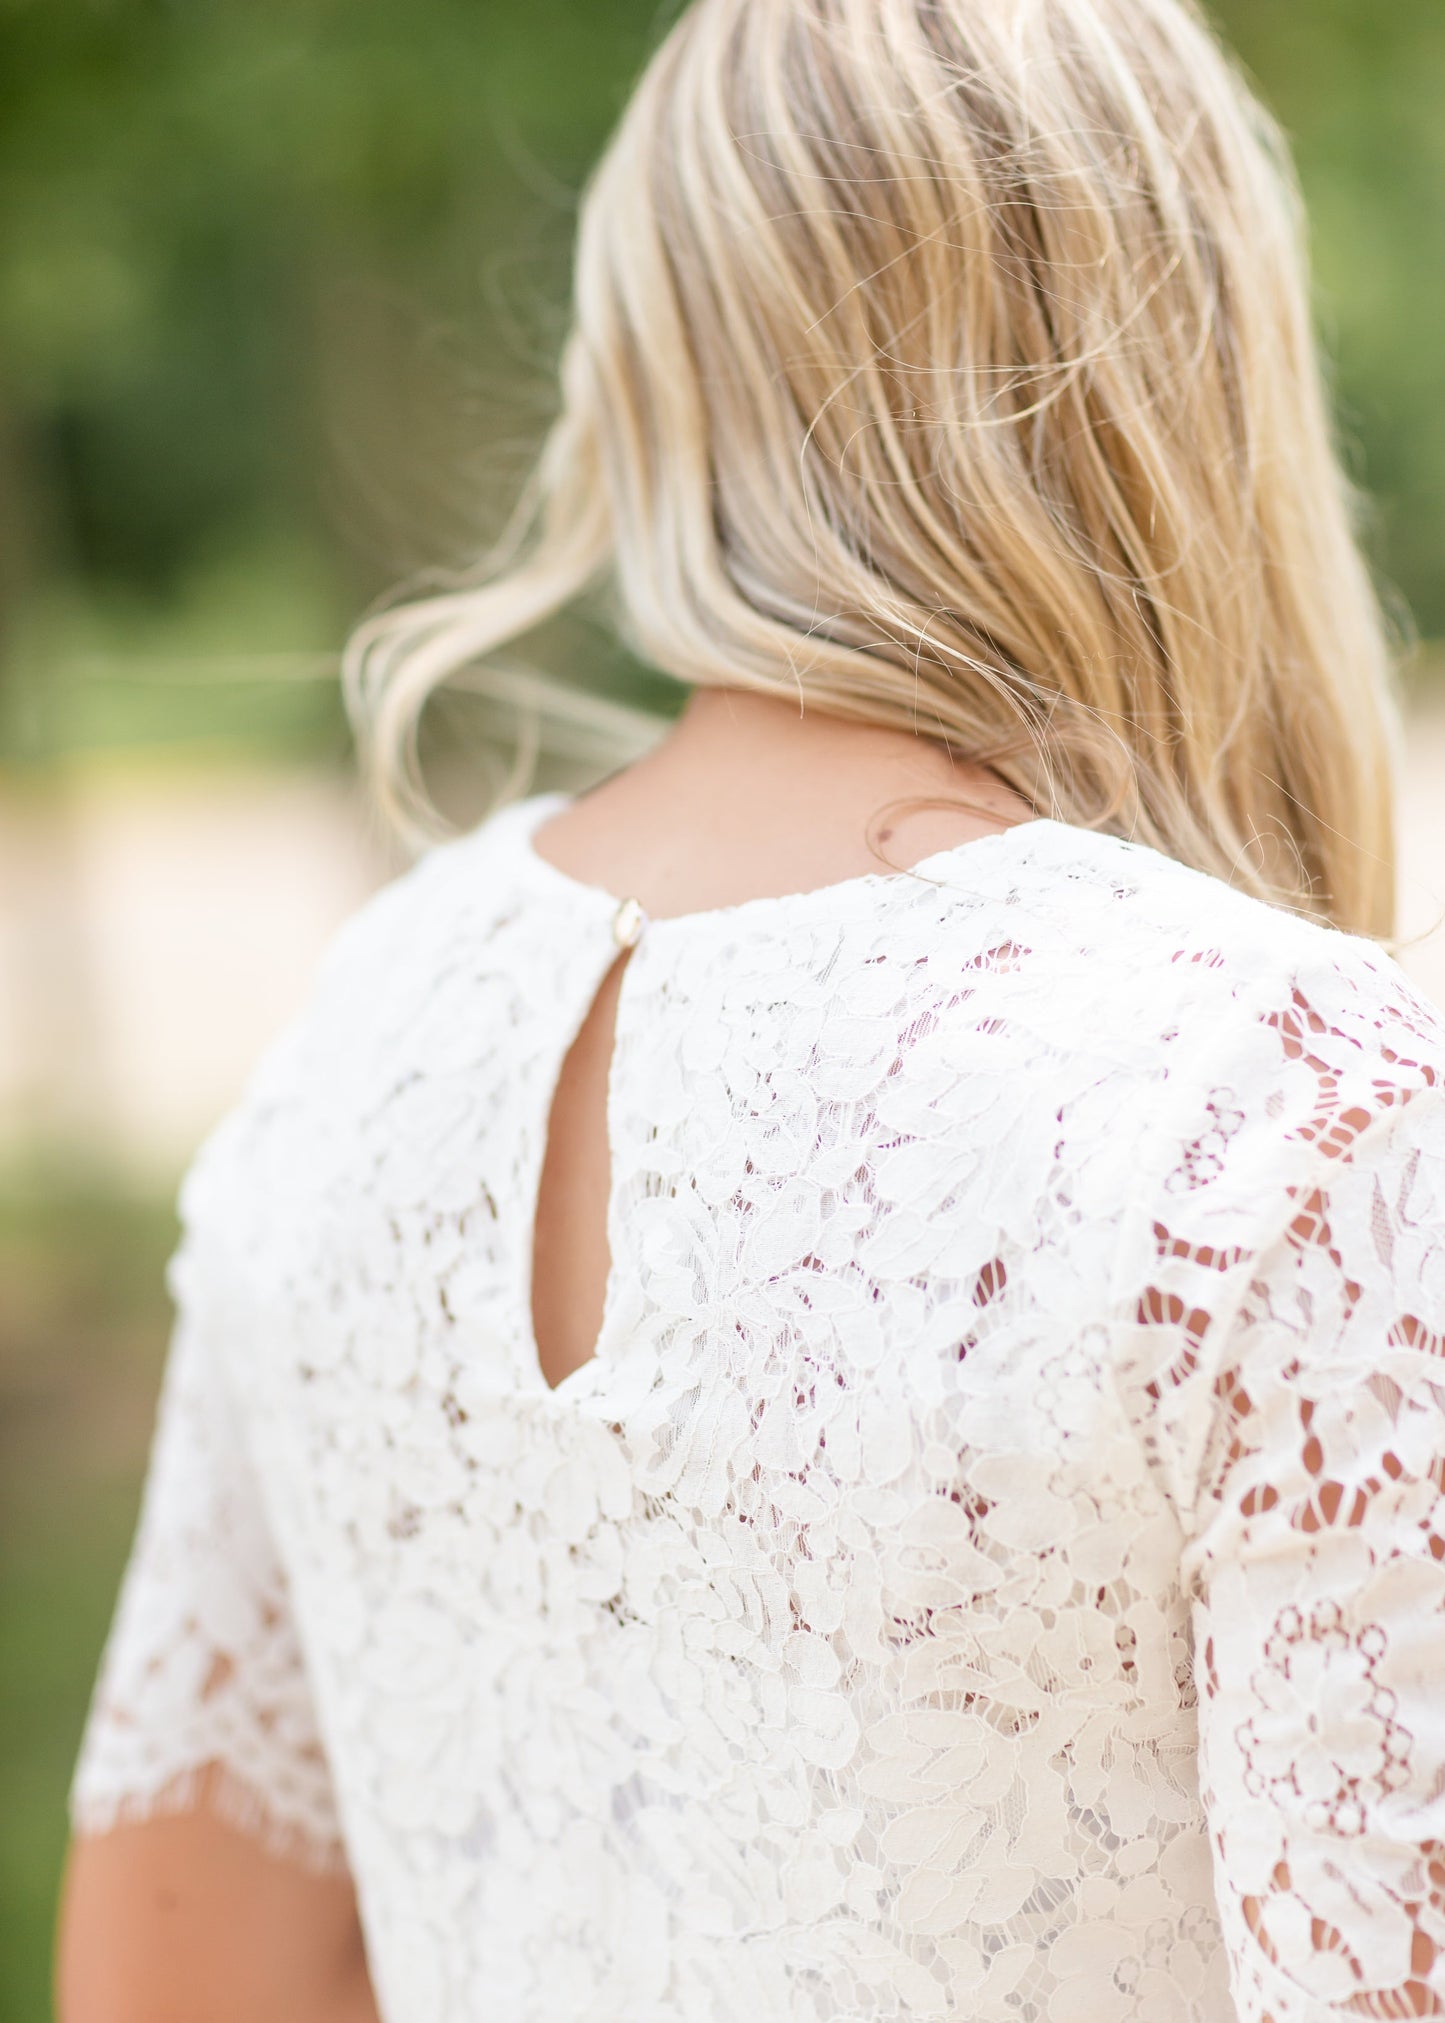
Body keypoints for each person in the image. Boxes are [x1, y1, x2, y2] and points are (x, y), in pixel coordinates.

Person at [57, 0, 1445, 2017]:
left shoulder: (366, 1030)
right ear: (1187, 375)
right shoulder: (1279, 1107)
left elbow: (178, 1970)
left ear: (652, 370)